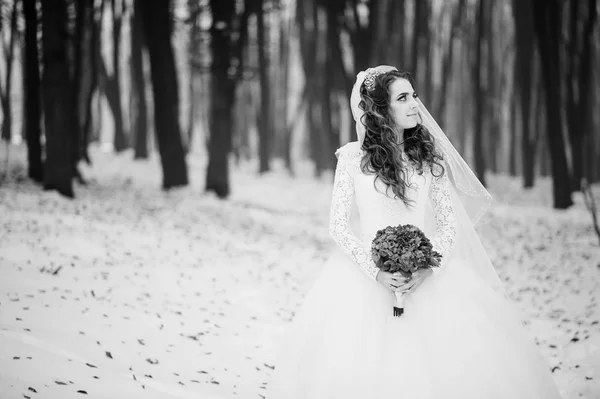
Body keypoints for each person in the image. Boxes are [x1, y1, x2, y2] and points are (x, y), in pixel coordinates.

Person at [266, 65, 562, 399]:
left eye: (414, 96)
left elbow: (449, 223)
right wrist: (376, 272)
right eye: (403, 98)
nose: (414, 104)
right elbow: (338, 225)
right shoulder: (352, 158)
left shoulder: (426, 158)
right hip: (364, 279)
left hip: (428, 278)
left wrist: (428, 266)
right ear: (382, 109)